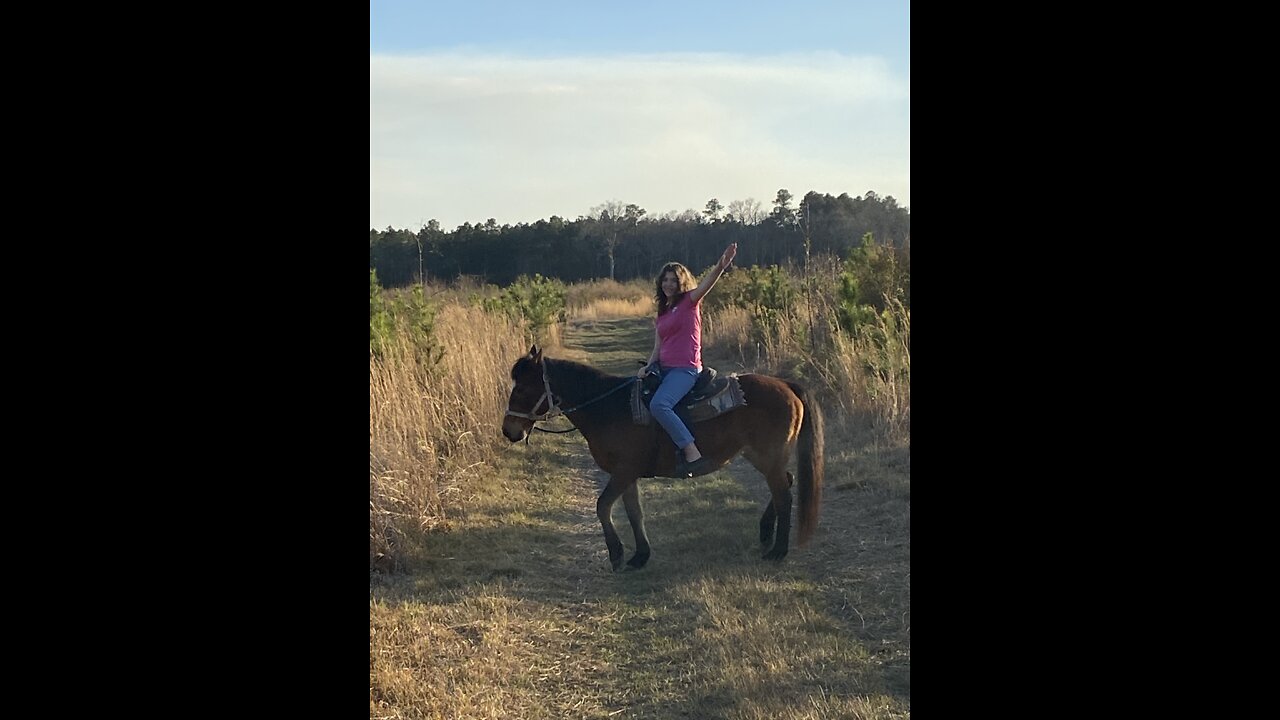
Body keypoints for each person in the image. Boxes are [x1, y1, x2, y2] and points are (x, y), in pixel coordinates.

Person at [638, 242, 738, 477]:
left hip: (686, 370)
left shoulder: (689, 302)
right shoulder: (663, 311)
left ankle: (692, 452)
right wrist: (648, 368)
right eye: (665, 280)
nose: (668, 284)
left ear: (681, 282)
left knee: (659, 405)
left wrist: (721, 266)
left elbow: (706, 285)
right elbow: (657, 347)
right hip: (664, 369)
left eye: (673, 280)